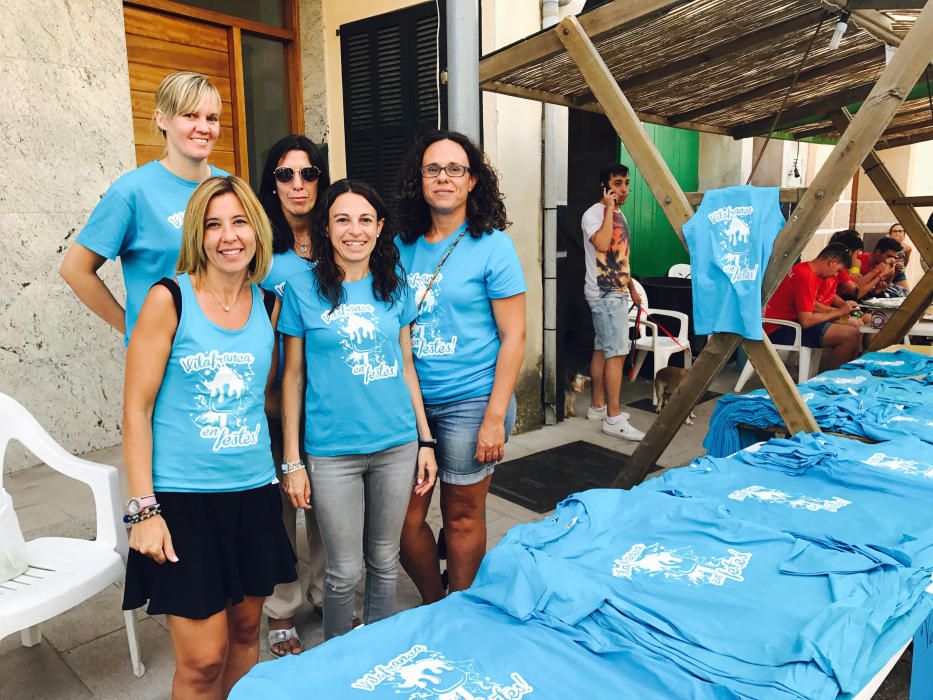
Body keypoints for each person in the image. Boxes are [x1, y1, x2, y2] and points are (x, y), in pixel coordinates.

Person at [121, 176, 296, 698]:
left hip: (253, 495)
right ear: (197, 234)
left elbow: (262, 398)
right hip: (184, 502)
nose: (229, 236)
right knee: (202, 660)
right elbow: (136, 410)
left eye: (240, 221)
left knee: (246, 634)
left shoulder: (269, 306)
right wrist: (144, 510)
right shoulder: (168, 299)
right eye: (214, 224)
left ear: (257, 231)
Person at [277, 179, 438, 640]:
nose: (355, 230)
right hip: (331, 452)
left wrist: (425, 439)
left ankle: (378, 656)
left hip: (396, 444)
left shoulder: (396, 285)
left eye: (365, 219)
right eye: (342, 219)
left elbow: (407, 365)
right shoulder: (302, 289)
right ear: (326, 228)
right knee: (343, 572)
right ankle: (338, 664)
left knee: (385, 561)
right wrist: (293, 460)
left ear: (380, 227)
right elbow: (293, 377)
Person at [395, 130, 526, 604]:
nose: (444, 177)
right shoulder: (399, 245)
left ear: (473, 182)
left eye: (456, 169)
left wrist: (495, 417)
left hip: (473, 400)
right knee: (403, 521)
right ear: (420, 180)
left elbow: (514, 336)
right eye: (434, 169)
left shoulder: (493, 247)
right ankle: (436, 600)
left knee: (462, 515)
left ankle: (461, 607)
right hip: (410, 403)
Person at [60, 71, 227, 344]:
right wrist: (134, 330)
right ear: (162, 119)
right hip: (165, 359)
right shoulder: (132, 192)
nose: (203, 127)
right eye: (190, 115)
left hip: (226, 348)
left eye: (212, 118)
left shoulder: (229, 186)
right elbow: (75, 269)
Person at [256, 135, 331, 656]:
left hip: (330, 401)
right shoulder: (260, 249)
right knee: (280, 509)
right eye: (286, 175)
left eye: (308, 174)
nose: (298, 184)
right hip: (271, 402)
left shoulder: (339, 239)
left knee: (329, 504)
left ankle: (329, 592)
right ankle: (281, 606)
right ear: (272, 183)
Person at [580, 162, 644, 441]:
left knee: (601, 349)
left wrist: (631, 287)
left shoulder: (620, 215)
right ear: (604, 187)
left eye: (627, 183)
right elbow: (604, 244)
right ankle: (613, 419)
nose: (624, 189)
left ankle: (598, 407)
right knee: (616, 354)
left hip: (617, 291)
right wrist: (608, 209)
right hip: (605, 294)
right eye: (618, 183)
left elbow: (620, 256)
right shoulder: (594, 214)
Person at [763, 243, 861, 370]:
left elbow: (811, 304)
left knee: (854, 327)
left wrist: (838, 311)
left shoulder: (805, 269)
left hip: (791, 322)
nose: (834, 275)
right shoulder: (806, 276)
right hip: (780, 328)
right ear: (832, 261)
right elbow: (806, 321)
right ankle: (832, 382)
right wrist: (839, 312)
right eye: (837, 270)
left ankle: (839, 374)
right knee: (849, 336)